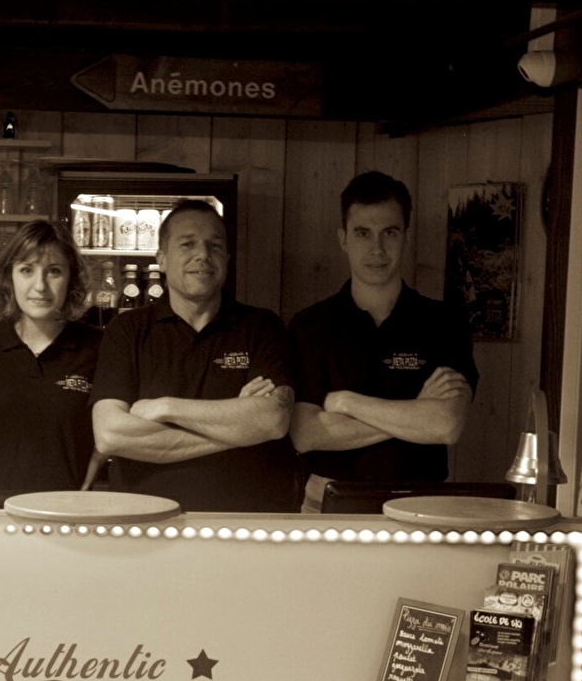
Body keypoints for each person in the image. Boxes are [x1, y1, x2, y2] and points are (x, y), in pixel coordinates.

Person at [288, 171, 477, 511]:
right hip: (327, 505)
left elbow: (445, 425)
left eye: (389, 232)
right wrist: (415, 412)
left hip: (422, 506)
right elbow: (306, 433)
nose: (377, 249)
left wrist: (345, 402)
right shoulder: (309, 326)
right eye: (363, 233)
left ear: (406, 236)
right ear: (343, 239)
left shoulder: (444, 322)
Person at [90, 199, 296, 512]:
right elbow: (111, 435)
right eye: (188, 244)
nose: (203, 255)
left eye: (215, 245)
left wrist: (164, 407)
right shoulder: (127, 330)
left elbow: (272, 420)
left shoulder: (262, 326)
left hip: (245, 521)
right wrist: (239, 428)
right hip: (144, 519)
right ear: (161, 258)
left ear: (227, 258)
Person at [0, 220, 103, 492]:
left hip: (73, 509)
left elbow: (124, 423)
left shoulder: (97, 347)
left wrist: (100, 456)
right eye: (27, 270)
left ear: (71, 279)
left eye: (54, 271)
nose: (40, 286)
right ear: (9, 277)